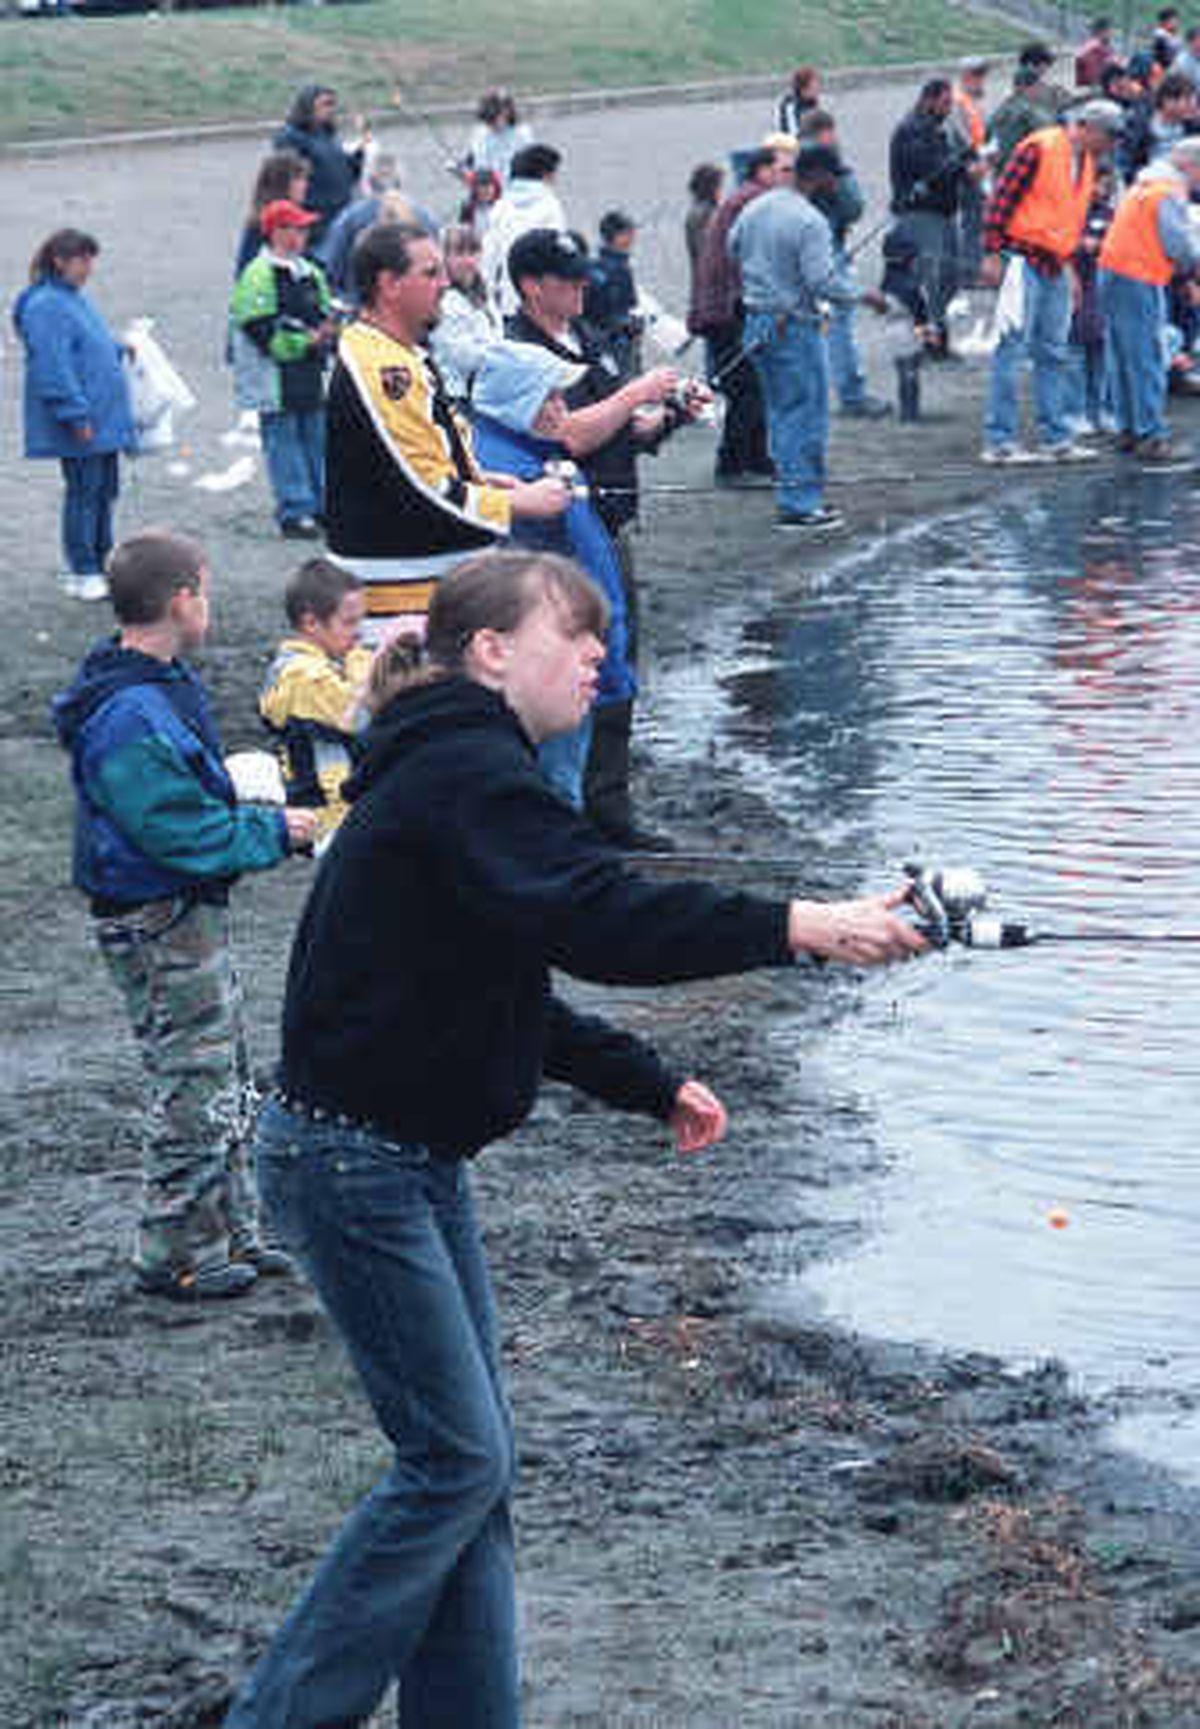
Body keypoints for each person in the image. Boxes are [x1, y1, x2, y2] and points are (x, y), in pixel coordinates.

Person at [219, 546, 925, 1729]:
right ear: (491, 650)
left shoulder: (468, 774)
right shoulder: (466, 776)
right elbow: (600, 915)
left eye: (603, 637)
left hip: (402, 1160)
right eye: (574, 634)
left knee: (469, 1473)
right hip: (352, 1164)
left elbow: (507, 987)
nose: (600, 652)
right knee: (456, 1463)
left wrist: (649, 1083)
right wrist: (800, 924)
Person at [51, 530, 319, 1301]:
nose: (211, 603)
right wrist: (271, 830)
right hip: (156, 918)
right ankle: (170, 1248)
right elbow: (173, 828)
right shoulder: (130, 712)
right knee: (191, 1077)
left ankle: (231, 1226)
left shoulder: (158, 684)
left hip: (183, 911)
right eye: (205, 589)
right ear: (181, 599)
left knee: (226, 1067)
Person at [505, 227, 699, 846]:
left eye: (584, 276)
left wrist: (665, 416)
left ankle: (608, 809)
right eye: (569, 279)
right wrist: (638, 392)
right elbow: (570, 437)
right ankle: (560, 812)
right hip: (556, 541)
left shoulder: (589, 339)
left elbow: (620, 429)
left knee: (615, 666)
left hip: (610, 526)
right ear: (533, 287)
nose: (584, 287)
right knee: (563, 670)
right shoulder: (519, 352)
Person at [323, 221, 568, 644]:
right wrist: (516, 503)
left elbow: (402, 468)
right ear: (389, 284)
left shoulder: (394, 352)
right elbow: (425, 487)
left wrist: (480, 480)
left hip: (426, 588)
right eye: (430, 273)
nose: (444, 283)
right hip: (404, 603)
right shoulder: (384, 366)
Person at [470, 340, 635, 811]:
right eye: (550, 398)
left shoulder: (539, 453)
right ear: (515, 404)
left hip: (572, 653)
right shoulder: (510, 467)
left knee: (561, 781)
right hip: (549, 664)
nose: (562, 409)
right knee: (554, 788)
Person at [730, 143, 886, 534]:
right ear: (817, 176)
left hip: (756, 322)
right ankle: (800, 504)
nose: (836, 182)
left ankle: (795, 494)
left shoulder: (756, 207)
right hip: (793, 327)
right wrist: (864, 295)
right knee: (805, 413)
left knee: (781, 411)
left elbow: (734, 246)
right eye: (833, 176)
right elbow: (823, 281)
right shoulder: (810, 220)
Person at [979, 98, 1124, 465]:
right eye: (1108, 137)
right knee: (1011, 349)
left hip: (1055, 265)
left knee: (1053, 352)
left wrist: (1071, 268)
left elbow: (1067, 220)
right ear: (1089, 127)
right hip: (1021, 260)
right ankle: (1000, 441)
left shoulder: (1087, 162)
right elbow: (1001, 200)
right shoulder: (1040, 147)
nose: (1110, 145)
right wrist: (992, 253)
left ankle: (1055, 437)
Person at [14, 228, 136, 603]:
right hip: (84, 419)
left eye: (90, 260)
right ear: (60, 261)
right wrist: (74, 414)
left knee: (102, 491)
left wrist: (118, 348)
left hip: (100, 417)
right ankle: (83, 568)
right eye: (82, 260)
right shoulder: (47, 305)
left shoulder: (69, 298)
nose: (89, 269)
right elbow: (52, 367)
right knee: (85, 492)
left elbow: (88, 345)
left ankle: (100, 561)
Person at [230, 199, 337, 541]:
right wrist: (307, 341)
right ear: (277, 233)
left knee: (316, 440)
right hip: (273, 380)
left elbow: (323, 312)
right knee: (285, 443)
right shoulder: (257, 275)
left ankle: (321, 505)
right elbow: (259, 329)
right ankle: (295, 510)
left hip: (309, 374)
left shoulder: (310, 271)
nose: (303, 234)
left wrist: (329, 333)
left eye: (304, 228)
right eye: (296, 228)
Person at [689, 143, 792, 485]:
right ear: (762, 171)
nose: (787, 177)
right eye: (782, 170)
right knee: (746, 387)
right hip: (728, 310)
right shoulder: (751, 201)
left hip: (724, 307)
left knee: (752, 386)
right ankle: (732, 466)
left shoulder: (743, 199)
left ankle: (756, 459)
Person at [1098, 136, 1200, 459]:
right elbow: (1180, 247)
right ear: (1188, 165)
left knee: (1122, 355)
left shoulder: (1145, 183)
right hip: (1138, 275)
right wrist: (1193, 272)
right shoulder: (1168, 192)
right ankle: (1150, 435)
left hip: (1113, 270)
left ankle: (1129, 429)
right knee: (1146, 356)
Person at [259, 558, 373, 842]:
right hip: (325, 815)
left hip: (337, 806)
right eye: (349, 622)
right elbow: (356, 717)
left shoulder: (320, 667)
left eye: (361, 619)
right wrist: (364, 666)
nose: (360, 631)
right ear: (311, 623)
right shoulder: (302, 677)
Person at [797, 108, 891, 416]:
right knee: (838, 323)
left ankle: (808, 393)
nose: (835, 140)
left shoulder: (787, 162)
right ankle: (851, 394)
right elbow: (854, 208)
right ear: (823, 133)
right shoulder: (831, 166)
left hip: (797, 250)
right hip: (825, 247)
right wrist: (840, 176)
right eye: (831, 134)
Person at [889, 77, 976, 355]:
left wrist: (970, 157)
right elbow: (930, 168)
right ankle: (933, 343)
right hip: (920, 214)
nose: (949, 108)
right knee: (932, 280)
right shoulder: (911, 130)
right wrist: (964, 171)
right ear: (928, 99)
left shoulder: (940, 127)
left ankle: (935, 332)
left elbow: (957, 155)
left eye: (951, 103)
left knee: (950, 277)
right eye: (945, 103)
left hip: (944, 212)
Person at [480, 143, 567, 317]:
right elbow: (558, 258)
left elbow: (487, 261)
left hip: (508, 303)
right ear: (545, 174)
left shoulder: (501, 207)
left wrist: (486, 303)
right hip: (543, 304)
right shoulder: (550, 206)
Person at [273, 85, 363, 242]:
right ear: (308, 106)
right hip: (315, 220)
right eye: (326, 104)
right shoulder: (290, 137)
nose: (331, 109)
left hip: (340, 214)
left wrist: (362, 154)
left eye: (333, 104)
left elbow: (345, 169)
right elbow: (287, 180)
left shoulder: (326, 133)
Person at [428, 222, 504, 403]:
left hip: (487, 389)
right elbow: (464, 357)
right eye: (460, 253)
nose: (469, 261)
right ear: (444, 257)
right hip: (457, 395)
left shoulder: (484, 294)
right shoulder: (444, 301)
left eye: (473, 252)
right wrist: (506, 357)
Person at [233, 150, 311, 278]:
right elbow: (246, 272)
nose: (305, 185)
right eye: (299, 179)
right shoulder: (264, 223)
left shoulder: (300, 215)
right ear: (282, 183)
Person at [583, 209, 642, 376]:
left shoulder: (593, 265)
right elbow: (629, 305)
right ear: (617, 237)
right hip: (617, 340)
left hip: (596, 340)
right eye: (628, 233)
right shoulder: (620, 269)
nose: (633, 237)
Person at [951, 57, 992, 284]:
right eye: (977, 76)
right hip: (969, 169)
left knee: (974, 220)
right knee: (972, 221)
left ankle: (971, 268)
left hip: (978, 166)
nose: (981, 81)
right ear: (966, 77)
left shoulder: (971, 101)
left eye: (982, 75)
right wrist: (975, 161)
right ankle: (969, 271)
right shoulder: (959, 102)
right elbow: (962, 139)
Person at [463, 88, 534, 185]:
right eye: (487, 121)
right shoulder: (479, 133)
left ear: (507, 113)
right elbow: (471, 163)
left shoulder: (522, 134)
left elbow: (530, 170)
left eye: (494, 119)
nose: (491, 125)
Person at [684, 161, 724, 294]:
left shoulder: (696, 211)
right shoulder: (707, 214)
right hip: (711, 288)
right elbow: (708, 252)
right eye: (720, 186)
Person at [778, 64, 821, 135]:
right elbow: (792, 133)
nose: (817, 90)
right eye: (813, 88)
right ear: (803, 89)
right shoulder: (789, 106)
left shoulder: (812, 103)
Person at [1077, 17, 1118, 88]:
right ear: (1102, 31)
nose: (1112, 33)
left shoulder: (1098, 45)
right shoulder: (1095, 47)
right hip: (1091, 87)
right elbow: (1092, 75)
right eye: (1110, 30)